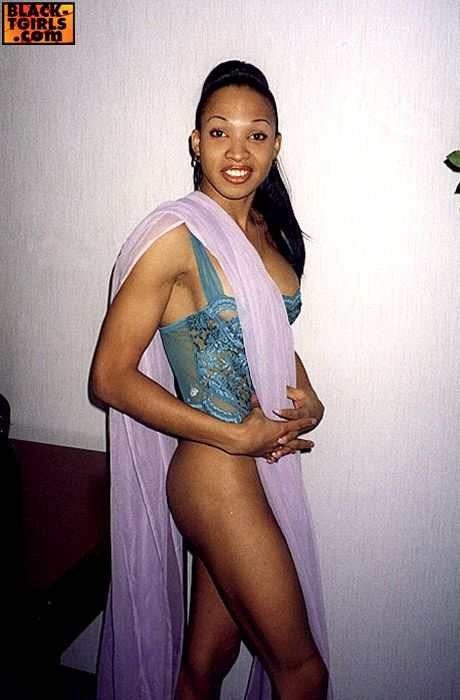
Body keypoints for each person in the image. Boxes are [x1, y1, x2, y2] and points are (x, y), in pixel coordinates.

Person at [91, 60, 332, 700]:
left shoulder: (269, 232)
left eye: (257, 134)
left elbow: (268, 334)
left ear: (276, 146)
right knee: (303, 671)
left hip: (257, 465)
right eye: (220, 131)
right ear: (196, 142)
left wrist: (307, 397)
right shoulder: (175, 236)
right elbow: (109, 378)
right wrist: (234, 438)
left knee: (206, 664)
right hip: (213, 470)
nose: (238, 151)